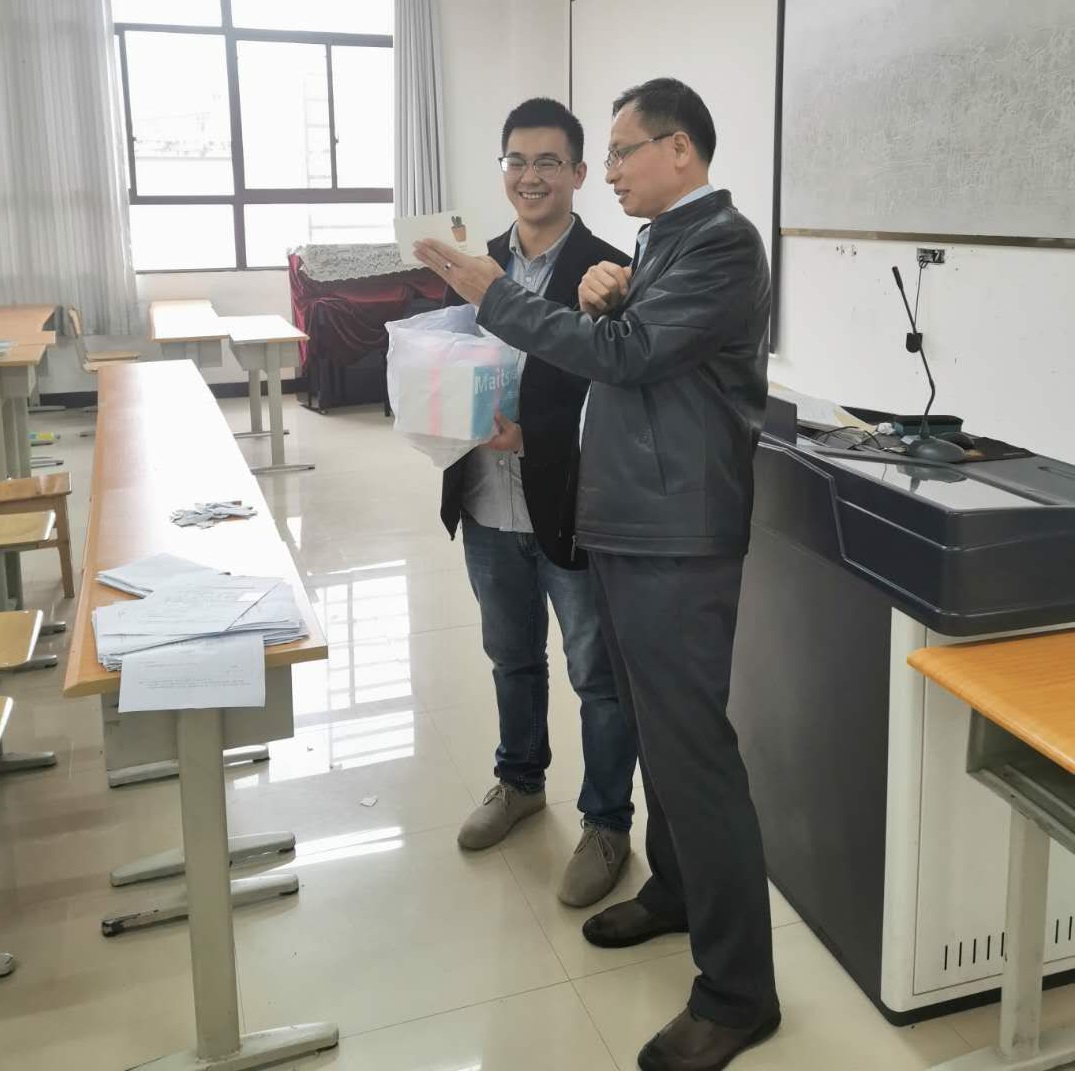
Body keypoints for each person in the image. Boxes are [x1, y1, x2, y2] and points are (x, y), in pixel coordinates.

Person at [414, 78, 780, 1071]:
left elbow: (624, 357)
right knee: (656, 733)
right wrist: (605, 296)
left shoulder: (721, 243)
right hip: (625, 520)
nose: (606, 171)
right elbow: (629, 343)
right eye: (607, 155)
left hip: (676, 534)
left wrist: (494, 295)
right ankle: (674, 889)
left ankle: (738, 992)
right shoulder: (661, 242)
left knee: (694, 755)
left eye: (621, 152)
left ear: (680, 150)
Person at [441, 97, 637, 908]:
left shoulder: (610, 272)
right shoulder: (471, 264)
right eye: (516, 161)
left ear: (579, 173)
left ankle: (607, 822)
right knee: (511, 657)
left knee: (597, 674)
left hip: (571, 508)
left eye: (548, 162)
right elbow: (437, 363)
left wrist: (535, 435)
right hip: (486, 503)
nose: (530, 176)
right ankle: (520, 781)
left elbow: (618, 396)